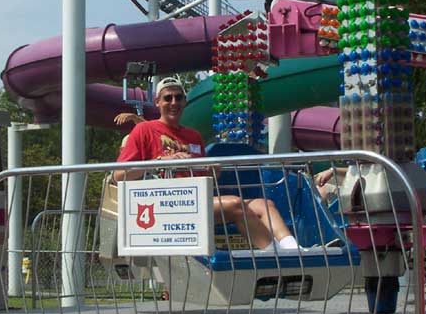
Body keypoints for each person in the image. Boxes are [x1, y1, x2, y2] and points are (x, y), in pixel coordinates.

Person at [114, 77, 299, 250]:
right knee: (235, 204)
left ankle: (294, 250)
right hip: (166, 205)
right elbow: (119, 175)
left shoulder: (193, 136)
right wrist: (160, 161)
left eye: (178, 98)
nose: (173, 103)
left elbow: (205, 175)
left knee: (265, 205)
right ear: (158, 102)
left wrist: (212, 171)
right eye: (167, 98)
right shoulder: (144, 129)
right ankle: (276, 255)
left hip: (196, 200)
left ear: (184, 102)